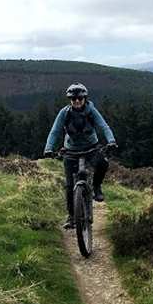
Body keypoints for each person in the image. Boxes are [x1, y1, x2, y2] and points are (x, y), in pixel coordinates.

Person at [44, 83, 117, 229]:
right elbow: (55, 131)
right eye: (73, 99)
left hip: (91, 148)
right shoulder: (64, 113)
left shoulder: (91, 111)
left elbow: (104, 126)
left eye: (80, 98)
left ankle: (96, 187)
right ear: (70, 100)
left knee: (103, 163)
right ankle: (72, 217)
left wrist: (111, 140)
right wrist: (48, 148)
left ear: (85, 98)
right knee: (70, 185)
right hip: (71, 151)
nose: (77, 101)